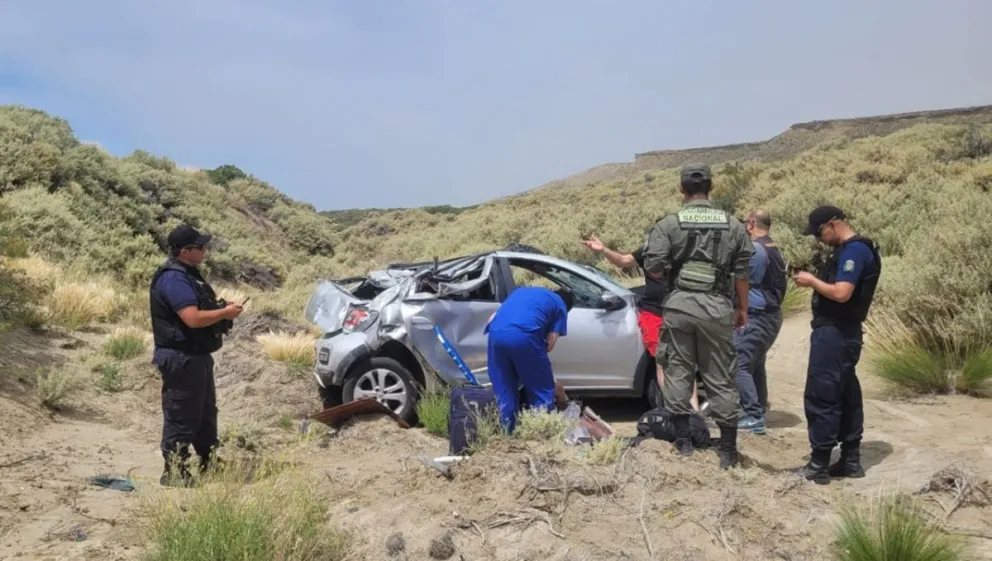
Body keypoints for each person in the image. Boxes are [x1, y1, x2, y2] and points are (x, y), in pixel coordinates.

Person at [642, 163, 754, 469]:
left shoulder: (668, 224)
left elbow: (652, 266)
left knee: (678, 371)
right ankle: (728, 450)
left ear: (682, 189)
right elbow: (742, 272)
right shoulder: (732, 225)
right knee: (720, 377)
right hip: (717, 308)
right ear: (711, 187)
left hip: (678, 307)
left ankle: (684, 443)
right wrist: (742, 308)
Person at [149, 224, 244, 486]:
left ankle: (208, 460)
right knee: (182, 413)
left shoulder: (189, 275)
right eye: (200, 247)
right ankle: (175, 472)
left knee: (204, 412)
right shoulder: (174, 279)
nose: (204, 250)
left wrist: (219, 310)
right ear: (185, 251)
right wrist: (224, 314)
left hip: (196, 356)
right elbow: (191, 318)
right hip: (180, 358)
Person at [793, 205, 881, 484]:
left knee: (822, 392)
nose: (819, 239)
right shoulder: (855, 249)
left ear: (832, 224)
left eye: (819, 233)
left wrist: (811, 282)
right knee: (846, 392)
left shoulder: (854, 252)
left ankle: (819, 463)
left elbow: (842, 293)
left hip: (835, 333)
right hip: (843, 332)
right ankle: (850, 460)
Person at [580, 235, 701, 411]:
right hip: (654, 314)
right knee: (662, 362)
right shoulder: (648, 250)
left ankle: (694, 411)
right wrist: (603, 250)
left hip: (681, 311)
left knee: (686, 362)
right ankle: (675, 410)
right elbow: (623, 261)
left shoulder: (685, 252)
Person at [485, 286, 573, 433]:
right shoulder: (560, 305)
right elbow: (550, 344)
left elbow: (492, 318)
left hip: (495, 334)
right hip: (525, 335)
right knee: (541, 389)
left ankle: (506, 434)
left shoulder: (522, 291)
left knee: (504, 390)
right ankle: (540, 436)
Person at [734, 209, 787, 435]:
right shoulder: (772, 248)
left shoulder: (755, 250)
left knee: (739, 365)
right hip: (770, 315)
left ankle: (753, 415)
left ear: (751, 223)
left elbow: (742, 280)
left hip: (756, 315)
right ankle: (759, 410)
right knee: (755, 364)